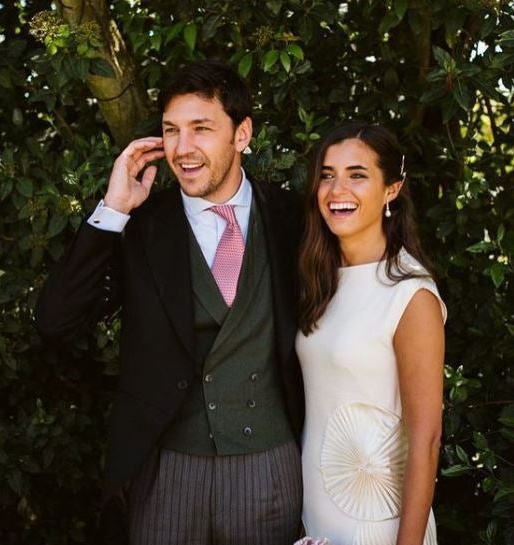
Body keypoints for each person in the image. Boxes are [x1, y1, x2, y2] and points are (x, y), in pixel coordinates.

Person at [36, 60, 304, 545]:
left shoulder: (293, 219)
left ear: (242, 134)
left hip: (269, 468)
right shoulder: (141, 226)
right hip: (167, 472)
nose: (183, 149)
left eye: (201, 129)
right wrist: (114, 208)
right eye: (171, 131)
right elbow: (57, 320)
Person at [296, 122, 446, 545]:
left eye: (357, 175)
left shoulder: (410, 295)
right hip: (315, 512)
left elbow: (427, 439)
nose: (336, 189)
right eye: (327, 175)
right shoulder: (321, 282)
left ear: (391, 190)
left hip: (380, 523)